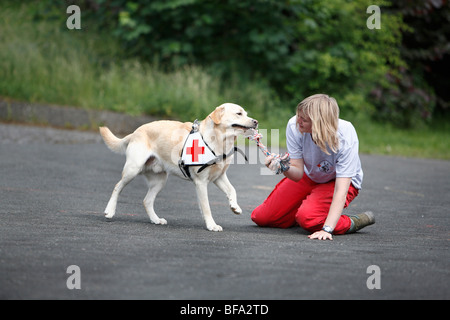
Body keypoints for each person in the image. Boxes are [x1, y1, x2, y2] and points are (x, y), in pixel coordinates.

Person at [251, 94, 374, 240]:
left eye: (304, 120)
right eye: (298, 116)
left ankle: (352, 222)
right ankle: (306, 213)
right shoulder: (294, 125)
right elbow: (297, 173)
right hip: (309, 176)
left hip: (337, 181)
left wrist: (327, 229)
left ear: (319, 123)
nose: (298, 121)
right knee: (262, 217)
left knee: (308, 218)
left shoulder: (345, 135)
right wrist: (284, 168)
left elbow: (341, 190)